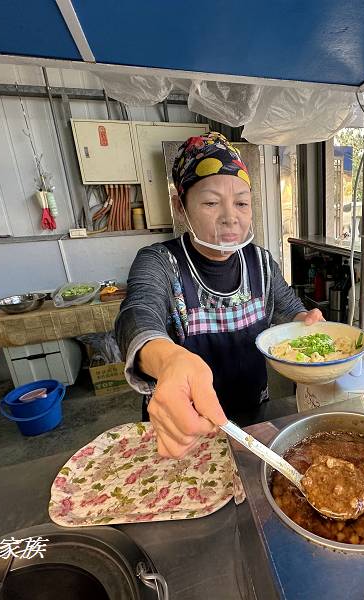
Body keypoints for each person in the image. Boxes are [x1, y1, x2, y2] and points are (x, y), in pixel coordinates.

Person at [115, 132, 323, 457]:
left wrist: (307, 322)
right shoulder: (159, 262)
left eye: (241, 203)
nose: (231, 217)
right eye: (211, 202)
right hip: (184, 430)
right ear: (179, 206)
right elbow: (136, 314)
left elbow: (290, 310)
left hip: (252, 418)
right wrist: (170, 361)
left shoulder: (261, 262)